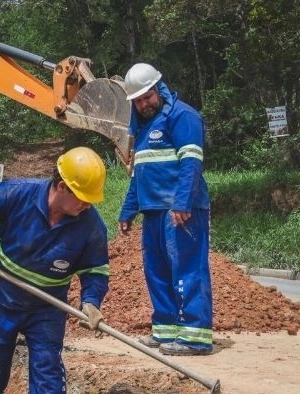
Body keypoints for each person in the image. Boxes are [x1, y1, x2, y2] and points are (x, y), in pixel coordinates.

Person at [0, 147, 110, 393]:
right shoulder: (17, 193)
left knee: (48, 379)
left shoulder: (91, 225)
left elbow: (96, 269)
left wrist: (91, 300)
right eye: (83, 197)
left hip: (47, 308)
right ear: (62, 187)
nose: (87, 205)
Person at [118, 63, 213, 356]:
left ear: (158, 88)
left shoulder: (182, 116)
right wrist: (128, 210)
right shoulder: (142, 127)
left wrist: (183, 202)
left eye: (147, 96)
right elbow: (139, 173)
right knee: (157, 271)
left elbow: (191, 163)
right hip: (153, 212)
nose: (144, 103)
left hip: (181, 210)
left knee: (187, 270)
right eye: (138, 99)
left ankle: (196, 337)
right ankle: (166, 329)